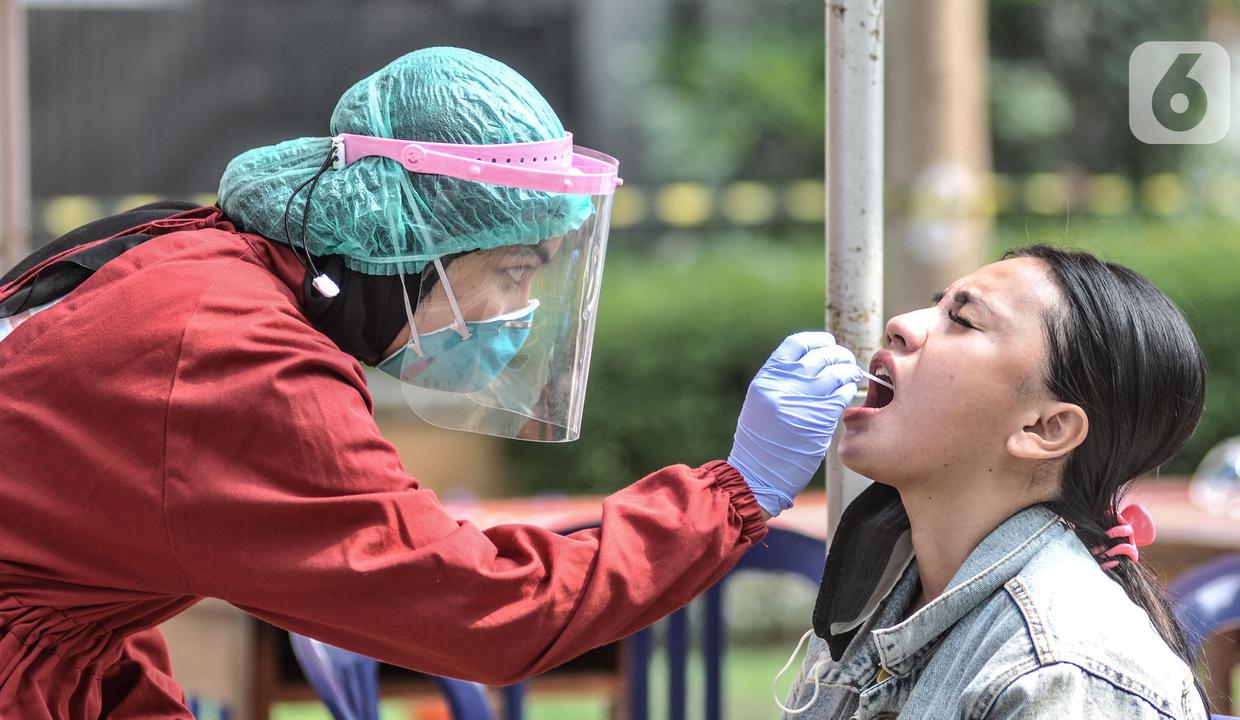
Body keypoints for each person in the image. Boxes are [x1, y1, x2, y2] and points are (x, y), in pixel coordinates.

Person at [0, 48, 866, 719]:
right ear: (411, 241)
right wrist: (730, 494)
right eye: (515, 271)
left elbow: (74, 587)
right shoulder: (242, 362)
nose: (520, 312)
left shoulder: (200, 261)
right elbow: (487, 607)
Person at [778, 246, 1210, 719]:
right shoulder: (869, 607)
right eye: (937, 305)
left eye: (961, 320)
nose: (899, 323)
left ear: (1045, 429)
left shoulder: (1064, 673)